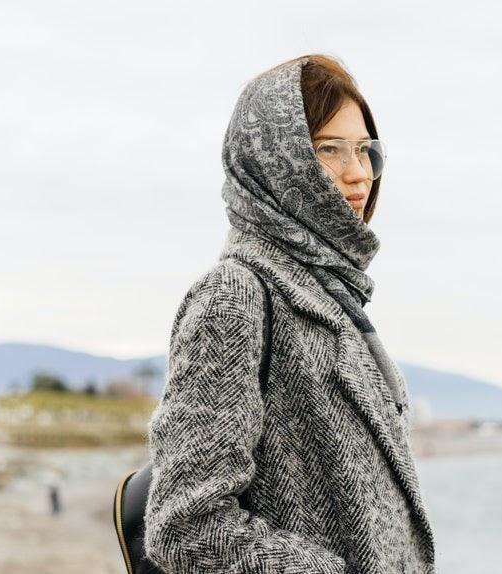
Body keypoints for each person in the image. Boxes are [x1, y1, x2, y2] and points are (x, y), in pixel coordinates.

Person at [142, 54, 437, 574]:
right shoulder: (236, 294)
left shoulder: (335, 297)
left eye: (365, 150)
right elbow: (186, 527)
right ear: (276, 159)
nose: (358, 174)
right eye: (329, 149)